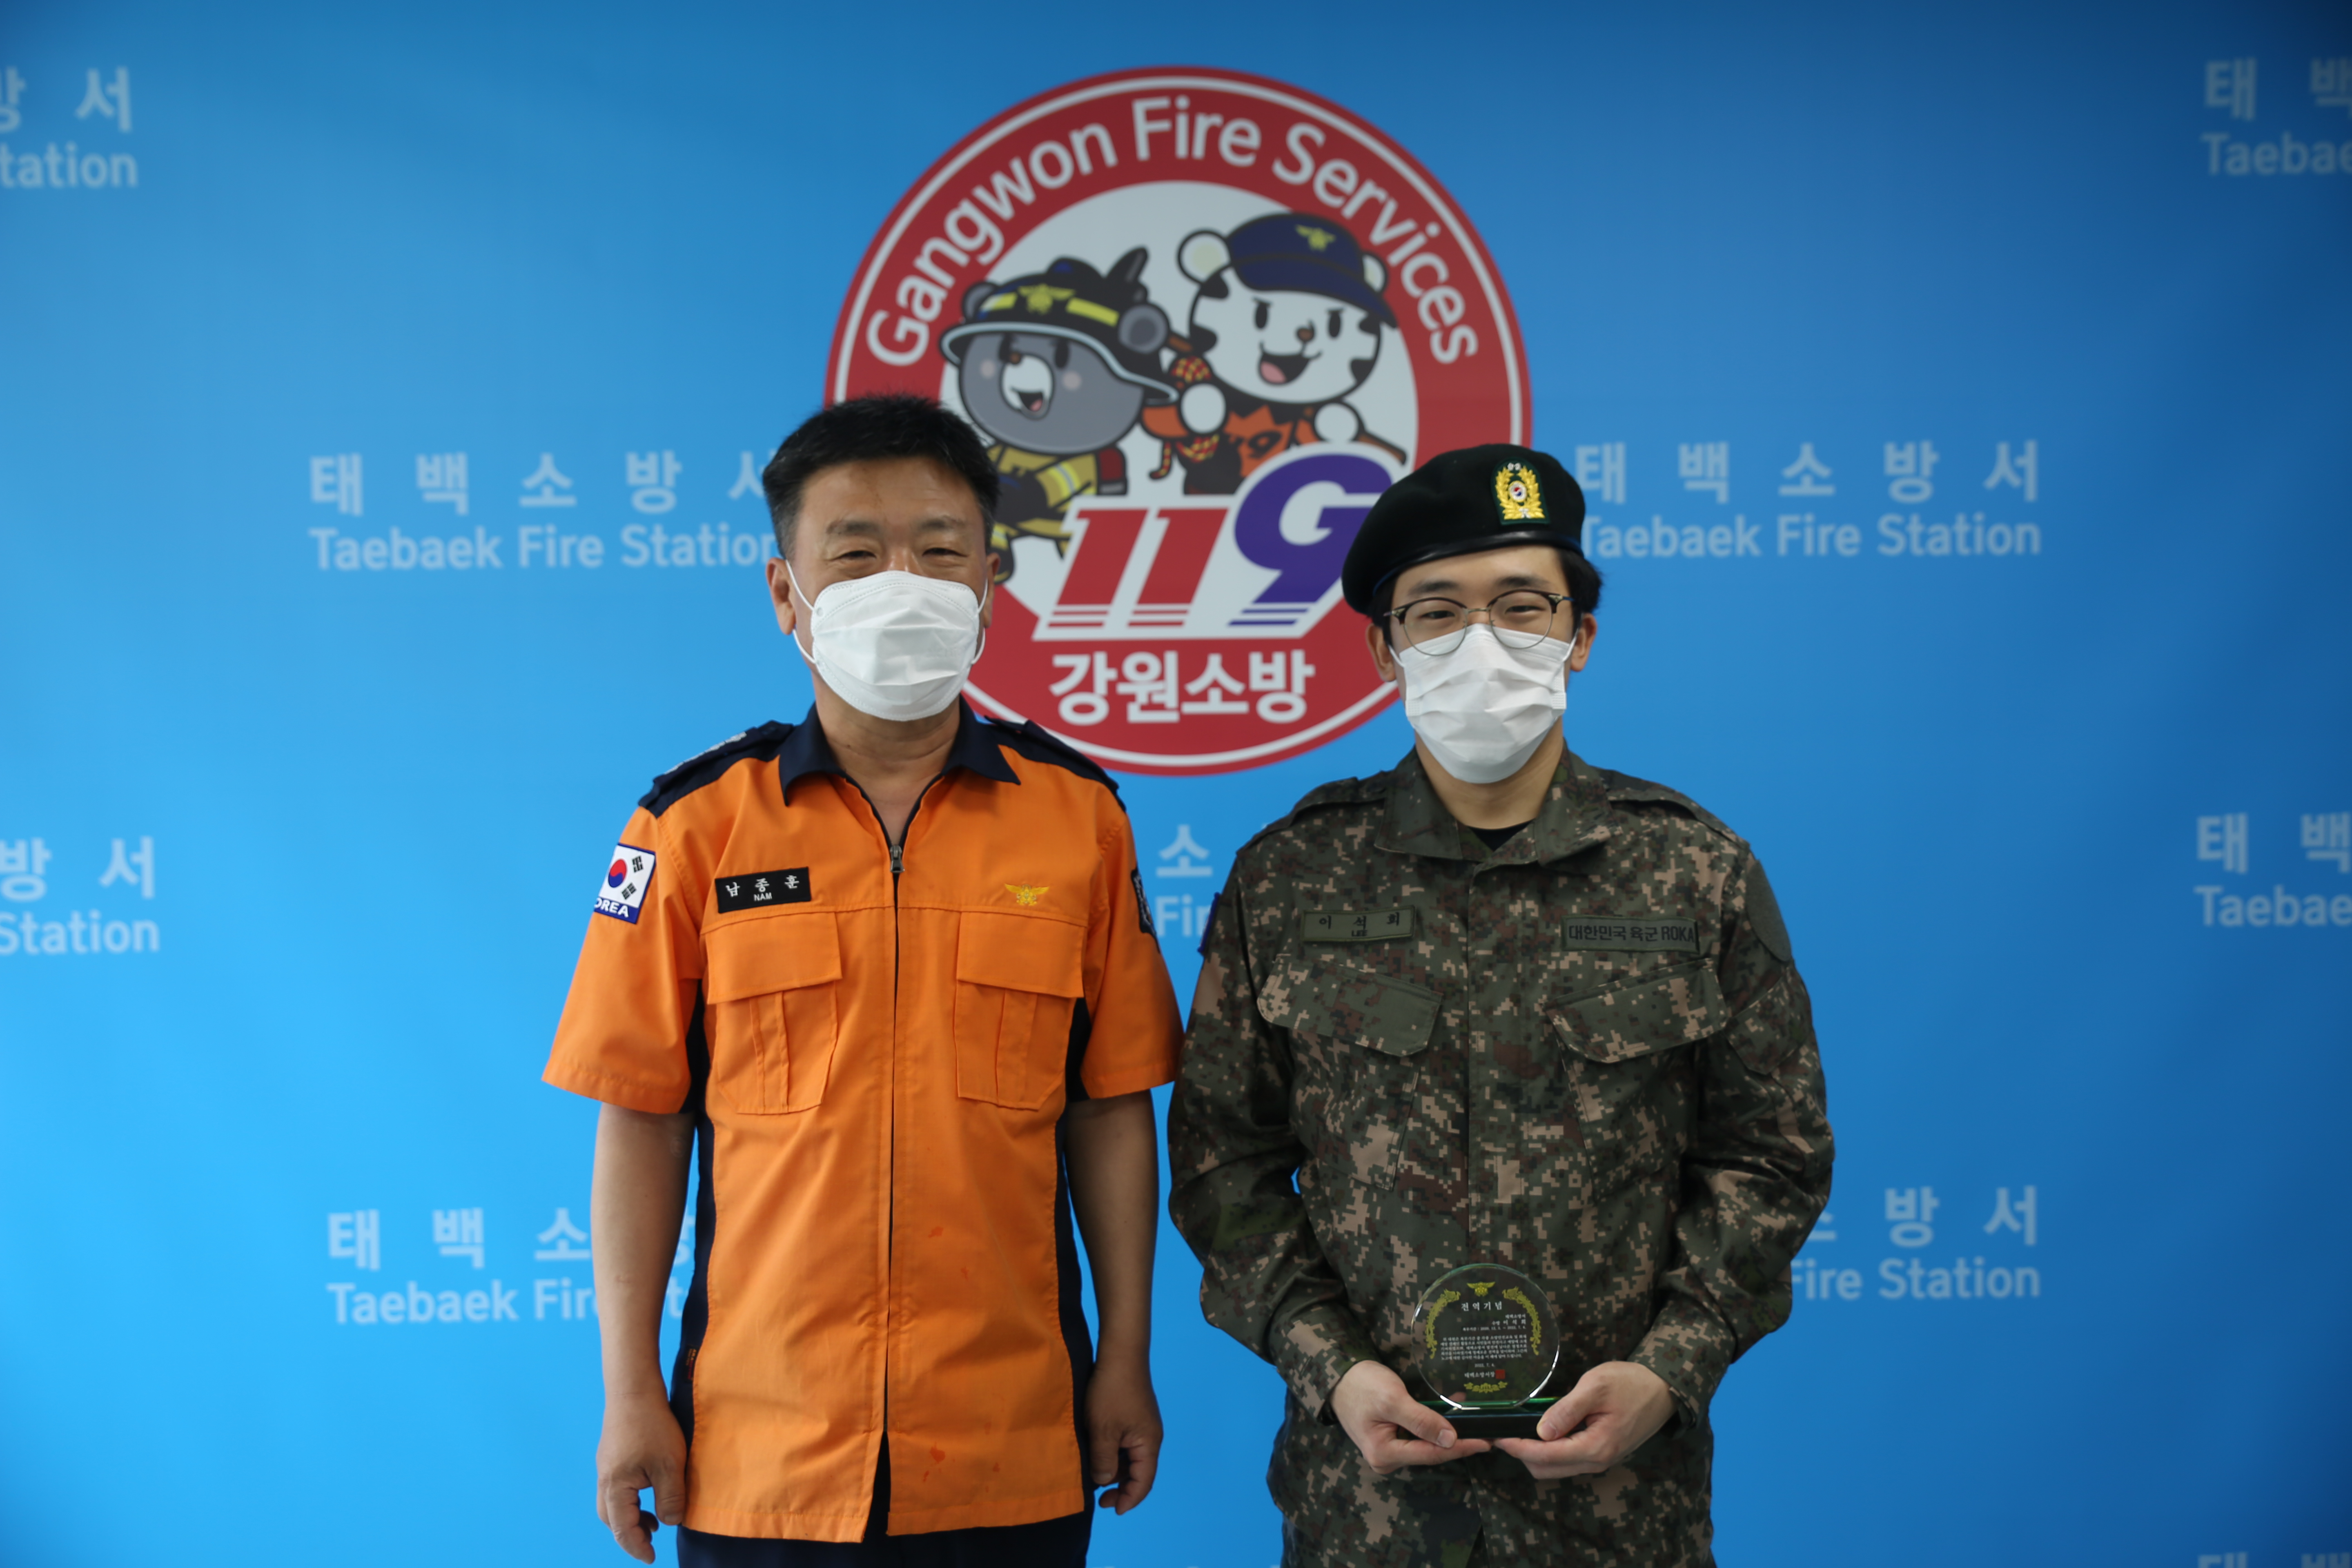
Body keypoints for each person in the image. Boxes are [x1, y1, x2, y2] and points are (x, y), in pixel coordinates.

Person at [543, 395, 1183, 1567]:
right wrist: (630, 1392)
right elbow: (641, 1117)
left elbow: (1110, 1105)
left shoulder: (1078, 820)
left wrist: (1126, 1359)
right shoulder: (694, 826)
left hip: (1010, 1442)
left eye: (940, 551)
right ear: (786, 594)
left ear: (990, 583)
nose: (903, 583)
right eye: (855, 553)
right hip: (759, 1452)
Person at [1168, 444, 1834, 1566]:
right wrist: (1333, 1366)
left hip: (1621, 1513)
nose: (1482, 641)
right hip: (1367, 1512)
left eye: (1523, 607)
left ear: (1581, 636)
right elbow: (1222, 1162)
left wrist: (1671, 1367)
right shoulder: (1291, 878)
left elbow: (1771, 1156)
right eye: (1437, 612)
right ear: (1384, 647)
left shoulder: (1694, 873)